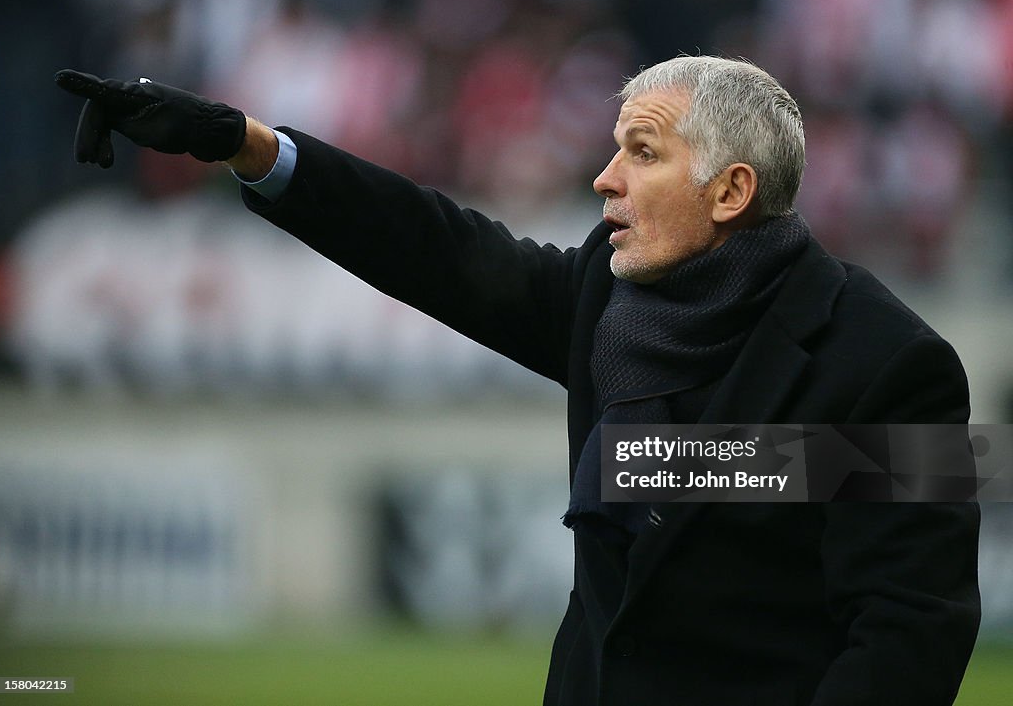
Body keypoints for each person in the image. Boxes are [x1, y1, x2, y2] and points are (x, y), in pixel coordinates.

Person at [56, 56, 980, 706]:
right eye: (616, 148)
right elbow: (435, 247)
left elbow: (908, 633)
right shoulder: (606, 297)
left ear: (731, 192)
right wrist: (248, 145)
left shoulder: (892, 364)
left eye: (643, 154)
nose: (603, 178)